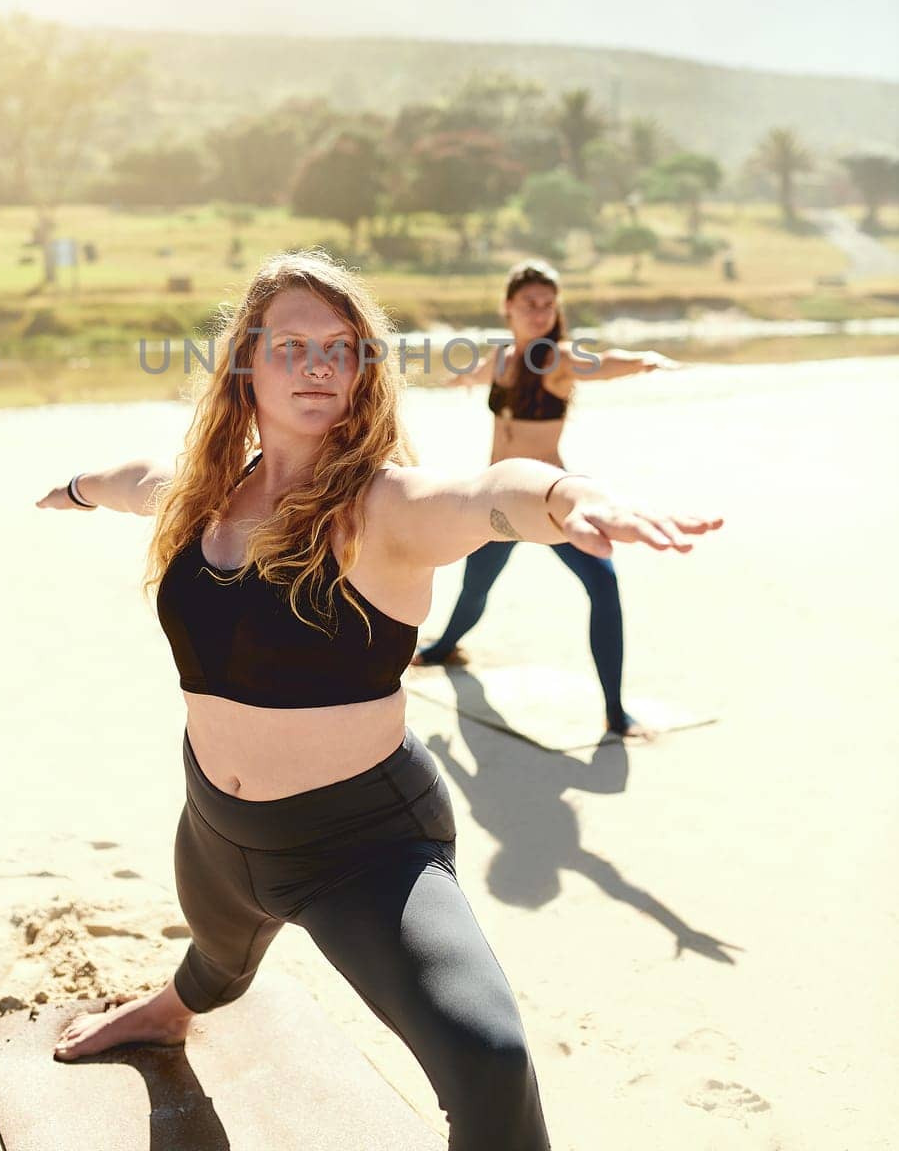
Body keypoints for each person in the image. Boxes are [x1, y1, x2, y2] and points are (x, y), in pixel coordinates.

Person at [35, 251, 720, 1150]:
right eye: (292, 345)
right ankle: (169, 1012)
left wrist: (569, 496)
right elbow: (133, 481)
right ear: (246, 363)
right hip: (213, 825)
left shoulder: (384, 507)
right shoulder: (200, 497)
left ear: (362, 370)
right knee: (215, 963)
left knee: (489, 1061)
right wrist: (77, 491)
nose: (318, 365)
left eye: (340, 347)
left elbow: (487, 496)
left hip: (359, 847)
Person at [413, 259, 682, 740]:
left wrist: (641, 359)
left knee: (602, 585)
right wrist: (457, 379)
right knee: (476, 586)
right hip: (496, 500)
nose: (539, 312)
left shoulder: (556, 358)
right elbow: (474, 371)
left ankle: (616, 714)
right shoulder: (502, 359)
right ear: (508, 307)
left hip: (549, 501)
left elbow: (600, 363)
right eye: (529, 303)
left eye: (547, 304)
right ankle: (445, 648)